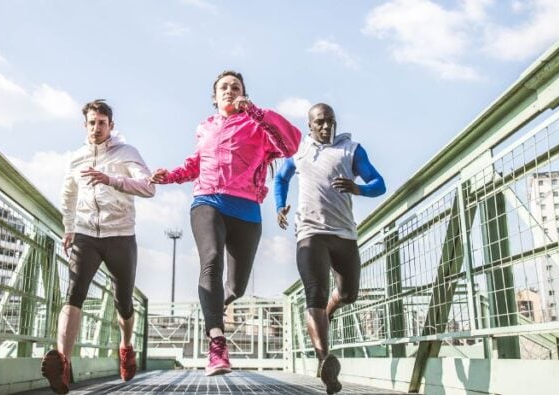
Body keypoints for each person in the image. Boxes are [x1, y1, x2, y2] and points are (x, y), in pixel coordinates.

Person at [151, 70, 301, 376]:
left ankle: (216, 305)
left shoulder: (257, 124)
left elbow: (291, 145)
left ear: (244, 93)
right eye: (224, 87)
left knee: (237, 286)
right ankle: (217, 344)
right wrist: (171, 176)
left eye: (236, 87)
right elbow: (197, 163)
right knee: (211, 261)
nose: (229, 91)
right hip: (208, 201)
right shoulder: (205, 127)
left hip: (246, 210)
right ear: (214, 95)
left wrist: (256, 111)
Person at [42, 100, 155, 394]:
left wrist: (112, 180)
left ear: (111, 125)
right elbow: (68, 196)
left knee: (123, 302)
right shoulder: (76, 158)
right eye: (92, 123)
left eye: (102, 122)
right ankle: (63, 364)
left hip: (120, 235)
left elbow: (149, 187)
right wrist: (69, 228)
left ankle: (126, 346)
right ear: (85, 125)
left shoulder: (127, 153)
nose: (96, 128)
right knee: (74, 294)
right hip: (86, 234)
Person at [273, 103, 386, 395]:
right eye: (320, 122)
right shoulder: (299, 151)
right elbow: (281, 178)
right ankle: (325, 361)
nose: (326, 127)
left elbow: (379, 183)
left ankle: (331, 309)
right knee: (315, 294)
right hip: (309, 232)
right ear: (310, 125)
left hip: (344, 234)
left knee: (348, 294)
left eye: (330, 122)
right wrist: (280, 206)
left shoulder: (352, 149)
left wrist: (359, 188)